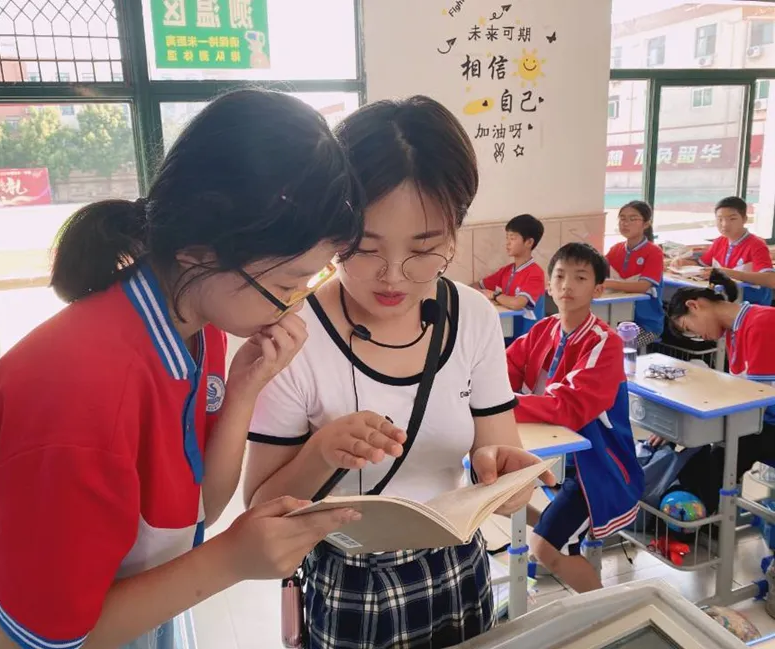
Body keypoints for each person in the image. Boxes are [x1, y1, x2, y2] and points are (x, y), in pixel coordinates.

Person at [0, 89, 367, 649]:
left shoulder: (195, 324)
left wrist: (245, 390)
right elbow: (30, 642)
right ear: (199, 250)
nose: (293, 307)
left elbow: (194, 511)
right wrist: (231, 560)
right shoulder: (83, 396)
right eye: (286, 284)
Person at [242, 96, 553, 649]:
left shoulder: (472, 316)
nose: (392, 276)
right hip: (348, 579)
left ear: (453, 235)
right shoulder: (293, 336)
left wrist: (504, 478)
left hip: (457, 566)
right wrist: (322, 452)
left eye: (424, 249)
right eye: (364, 249)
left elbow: (499, 455)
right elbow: (259, 510)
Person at [507, 242, 643, 593]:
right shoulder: (544, 329)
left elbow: (568, 407)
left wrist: (502, 404)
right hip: (556, 456)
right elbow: (502, 370)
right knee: (492, 493)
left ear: (598, 289)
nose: (567, 285)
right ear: (549, 285)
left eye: (580, 277)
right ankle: (554, 531)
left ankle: (605, 616)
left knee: (544, 548)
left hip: (595, 466)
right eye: (559, 276)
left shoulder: (605, 343)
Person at [654, 269, 775, 514]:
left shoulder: (761, 323)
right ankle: (695, 514)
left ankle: (696, 519)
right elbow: (740, 392)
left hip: (766, 420)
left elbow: (757, 397)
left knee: (719, 456)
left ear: (694, 305)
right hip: (762, 419)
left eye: (689, 327)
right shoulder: (733, 331)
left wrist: (694, 422)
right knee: (696, 449)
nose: (698, 336)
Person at [671, 196, 774, 305]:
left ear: (744, 219)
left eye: (732, 219)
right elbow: (703, 265)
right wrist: (683, 263)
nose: (724, 224)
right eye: (720, 219)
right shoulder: (719, 242)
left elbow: (771, 280)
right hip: (724, 301)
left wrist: (727, 273)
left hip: (749, 305)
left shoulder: (757, 245)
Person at [472, 213, 546, 341]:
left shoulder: (535, 273)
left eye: (512, 238)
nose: (507, 243)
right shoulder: (507, 271)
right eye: (507, 238)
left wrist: (494, 295)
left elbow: (518, 303)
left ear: (529, 242)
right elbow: (477, 286)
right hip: (509, 333)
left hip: (529, 339)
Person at [604, 200, 664, 347]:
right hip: (615, 320)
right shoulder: (615, 250)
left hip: (645, 324)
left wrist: (609, 283)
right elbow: (598, 271)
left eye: (633, 219)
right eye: (622, 218)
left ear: (646, 224)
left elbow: (643, 286)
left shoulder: (654, 252)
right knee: (595, 343)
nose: (625, 223)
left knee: (614, 347)